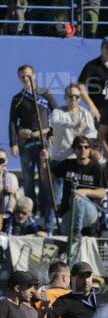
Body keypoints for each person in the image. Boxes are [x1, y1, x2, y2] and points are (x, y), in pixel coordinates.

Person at [9, 65, 57, 220]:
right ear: (19, 78)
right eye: (22, 76)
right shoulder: (18, 98)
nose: (25, 79)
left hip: (43, 142)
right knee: (28, 179)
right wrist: (13, 143)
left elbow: (56, 113)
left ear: (34, 75)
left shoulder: (44, 94)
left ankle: (44, 212)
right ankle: (31, 212)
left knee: (44, 178)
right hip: (26, 144)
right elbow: (12, 122)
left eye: (28, 76)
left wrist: (52, 132)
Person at [78, 37, 108, 122]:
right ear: (101, 49)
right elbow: (80, 85)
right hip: (99, 110)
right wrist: (91, 106)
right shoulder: (92, 65)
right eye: (107, 47)